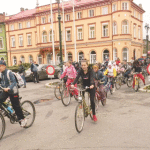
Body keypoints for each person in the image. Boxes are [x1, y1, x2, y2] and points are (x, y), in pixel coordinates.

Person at [0, 60, 27, 127]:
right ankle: (6, 111)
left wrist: (9, 88)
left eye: (0, 66)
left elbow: (14, 82)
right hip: (6, 91)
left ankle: (22, 119)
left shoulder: (9, 73)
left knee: (15, 106)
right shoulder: (1, 74)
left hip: (13, 91)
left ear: (4, 66)